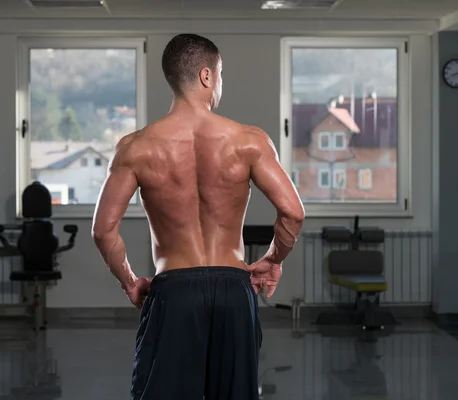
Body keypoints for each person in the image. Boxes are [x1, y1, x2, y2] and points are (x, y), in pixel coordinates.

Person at [92, 33, 305, 400]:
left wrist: (129, 281)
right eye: (221, 74)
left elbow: (103, 230)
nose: (221, 83)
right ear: (207, 76)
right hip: (234, 291)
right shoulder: (248, 140)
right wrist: (272, 260)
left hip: (174, 291)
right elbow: (293, 213)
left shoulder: (136, 147)